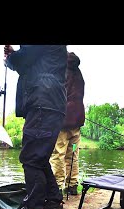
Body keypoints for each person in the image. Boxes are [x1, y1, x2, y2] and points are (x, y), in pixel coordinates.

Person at [4, 45, 67, 209]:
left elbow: (23, 59)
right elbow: (28, 62)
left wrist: (11, 57)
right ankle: (53, 202)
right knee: (39, 157)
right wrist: (14, 57)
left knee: (31, 157)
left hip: (43, 104)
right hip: (49, 104)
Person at [50, 51, 85, 196]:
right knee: (73, 154)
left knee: (58, 153)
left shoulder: (61, 72)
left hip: (62, 122)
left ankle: (57, 187)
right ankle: (72, 185)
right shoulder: (79, 74)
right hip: (76, 122)